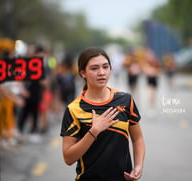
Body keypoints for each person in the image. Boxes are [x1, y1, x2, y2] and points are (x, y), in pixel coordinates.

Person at [60, 47, 145, 181]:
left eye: (105, 67)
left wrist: (138, 166)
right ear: (82, 73)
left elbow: (137, 139)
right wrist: (94, 131)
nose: (101, 72)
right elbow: (68, 158)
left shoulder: (125, 100)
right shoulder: (74, 109)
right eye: (94, 68)